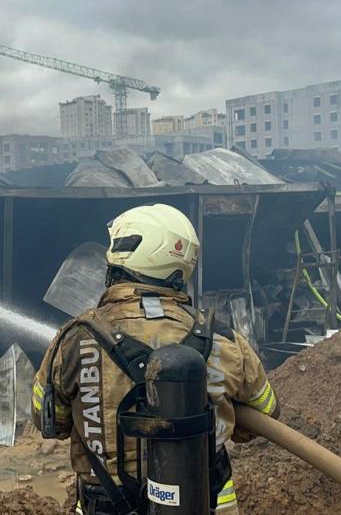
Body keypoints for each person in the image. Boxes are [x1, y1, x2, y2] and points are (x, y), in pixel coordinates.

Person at [32, 203, 279, 514]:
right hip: (206, 502)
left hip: (107, 503)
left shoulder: (74, 339)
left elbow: (49, 422)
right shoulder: (223, 338)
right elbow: (265, 412)